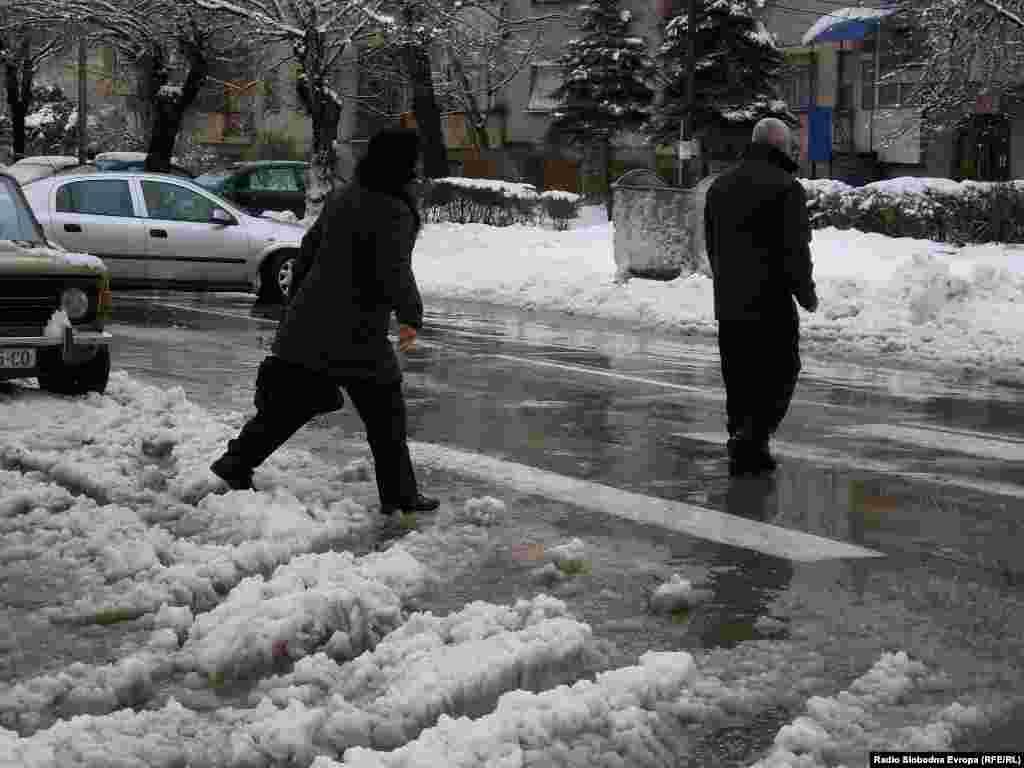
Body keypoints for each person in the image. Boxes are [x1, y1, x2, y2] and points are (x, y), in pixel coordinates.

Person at [210, 127, 439, 516]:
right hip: (358, 331)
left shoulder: (344, 197)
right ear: (403, 164)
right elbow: (394, 270)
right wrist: (410, 316)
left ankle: (235, 462)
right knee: (386, 416)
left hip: (313, 322)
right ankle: (400, 495)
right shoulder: (393, 210)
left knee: (292, 406)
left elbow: (308, 251)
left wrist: (298, 304)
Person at [704, 117, 819, 477]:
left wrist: (725, 282)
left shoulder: (720, 186)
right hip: (771, 302)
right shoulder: (787, 188)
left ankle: (742, 436)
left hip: (730, 300)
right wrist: (805, 293)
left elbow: (711, 244)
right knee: (781, 371)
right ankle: (753, 437)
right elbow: (794, 249)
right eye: (791, 146)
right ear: (780, 147)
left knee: (739, 375)